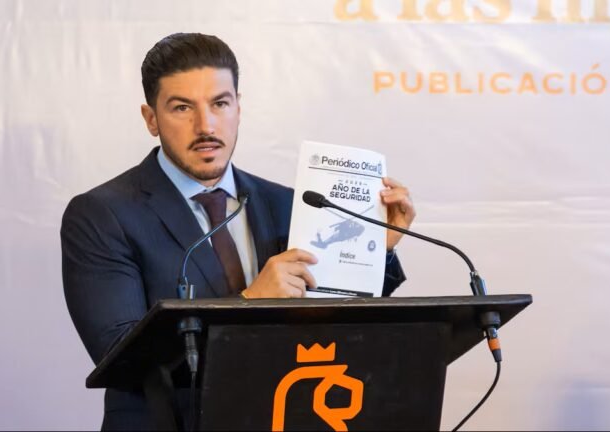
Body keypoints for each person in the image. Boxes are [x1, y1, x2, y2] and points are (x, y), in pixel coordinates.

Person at [61, 32, 416, 430]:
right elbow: (119, 358)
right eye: (182, 107)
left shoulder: (288, 203)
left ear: (238, 108)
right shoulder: (102, 215)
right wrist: (249, 302)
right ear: (151, 119)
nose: (206, 125)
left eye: (220, 103)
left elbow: (332, 317)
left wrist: (376, 252)